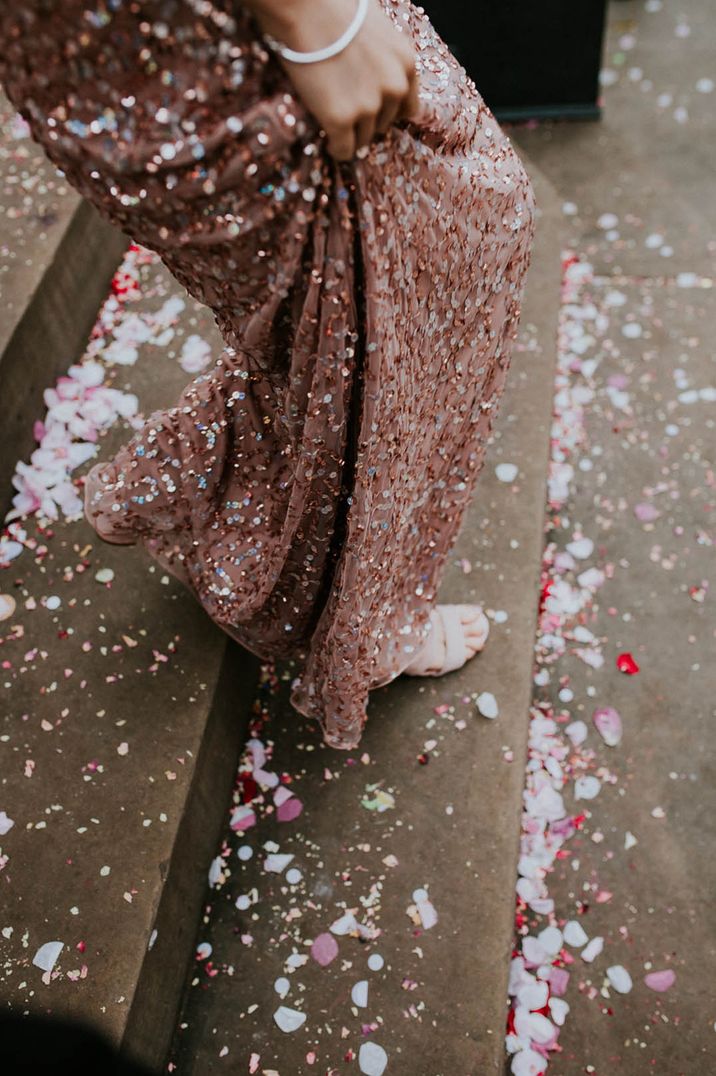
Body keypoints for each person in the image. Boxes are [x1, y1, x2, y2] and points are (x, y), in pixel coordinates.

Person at [0, 0, 536, 749]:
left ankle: (183, 483)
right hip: (178, 45)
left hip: (137, 45)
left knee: (358, 294)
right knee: (392, 278)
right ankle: (366, 622)